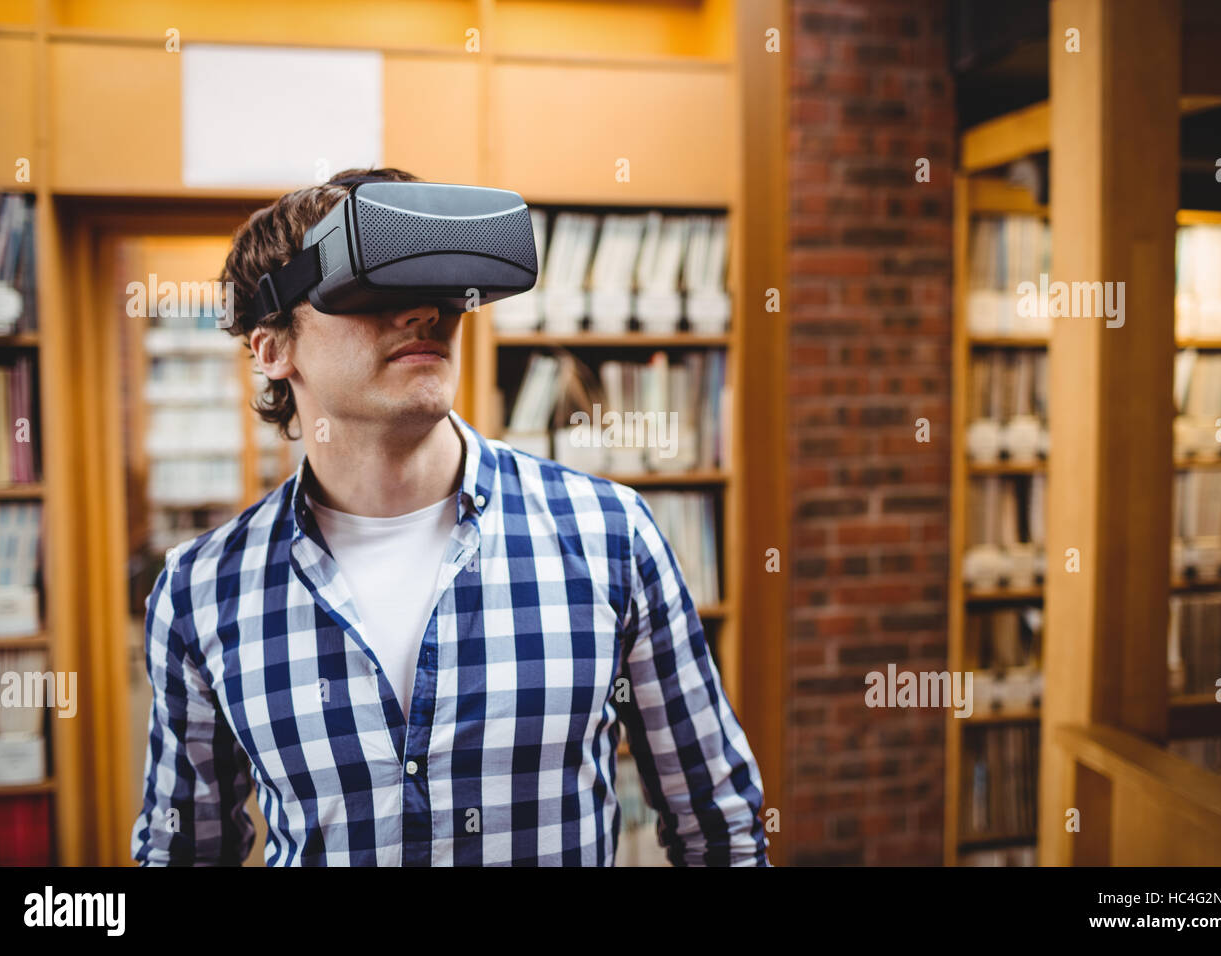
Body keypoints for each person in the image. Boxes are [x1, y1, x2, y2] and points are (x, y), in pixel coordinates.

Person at [130, 167, 769, 866]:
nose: (423, 312)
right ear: (273, 347)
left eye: (439, 285)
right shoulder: (202, 593)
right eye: (370, 286)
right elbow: (183, 852)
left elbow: (722, 830)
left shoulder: (611, 539)